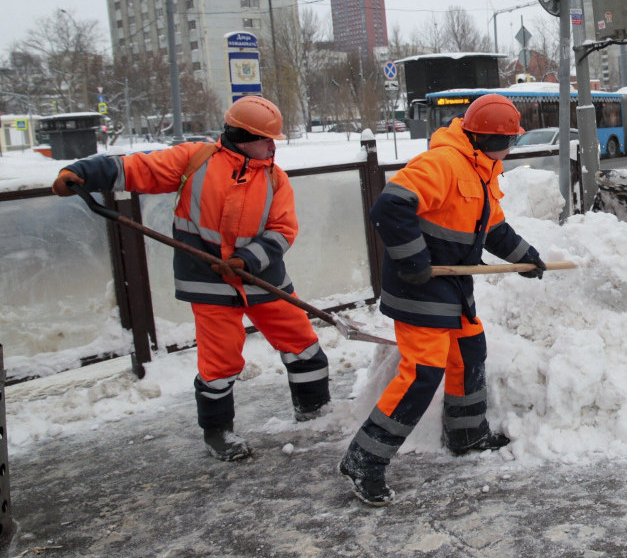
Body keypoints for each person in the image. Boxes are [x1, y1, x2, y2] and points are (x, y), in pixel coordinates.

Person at [51, 96, 330, 462]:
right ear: (242, 137)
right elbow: (137, 168)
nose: (273, 146)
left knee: (304, 344)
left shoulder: (275, 179)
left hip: (263, 279)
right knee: (220, 362)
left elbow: (283, 230)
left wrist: (247, 259)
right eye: (266, 139)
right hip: (207, 281)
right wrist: (83, 173)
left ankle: (315, 414)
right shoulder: (193, 161)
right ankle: (218, 432)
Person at [339, 93, 546, 506]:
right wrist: (413, 259)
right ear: (491, 139)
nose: (513, 147)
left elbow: (494, 229)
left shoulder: (483, 170)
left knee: (470, 348)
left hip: (452, 286)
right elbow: (389, 206)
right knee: (422, 373)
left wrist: (527, 258)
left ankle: (466, 432)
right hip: (420, 286)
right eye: (511, 140)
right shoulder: (443, 163)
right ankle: (365, 458)